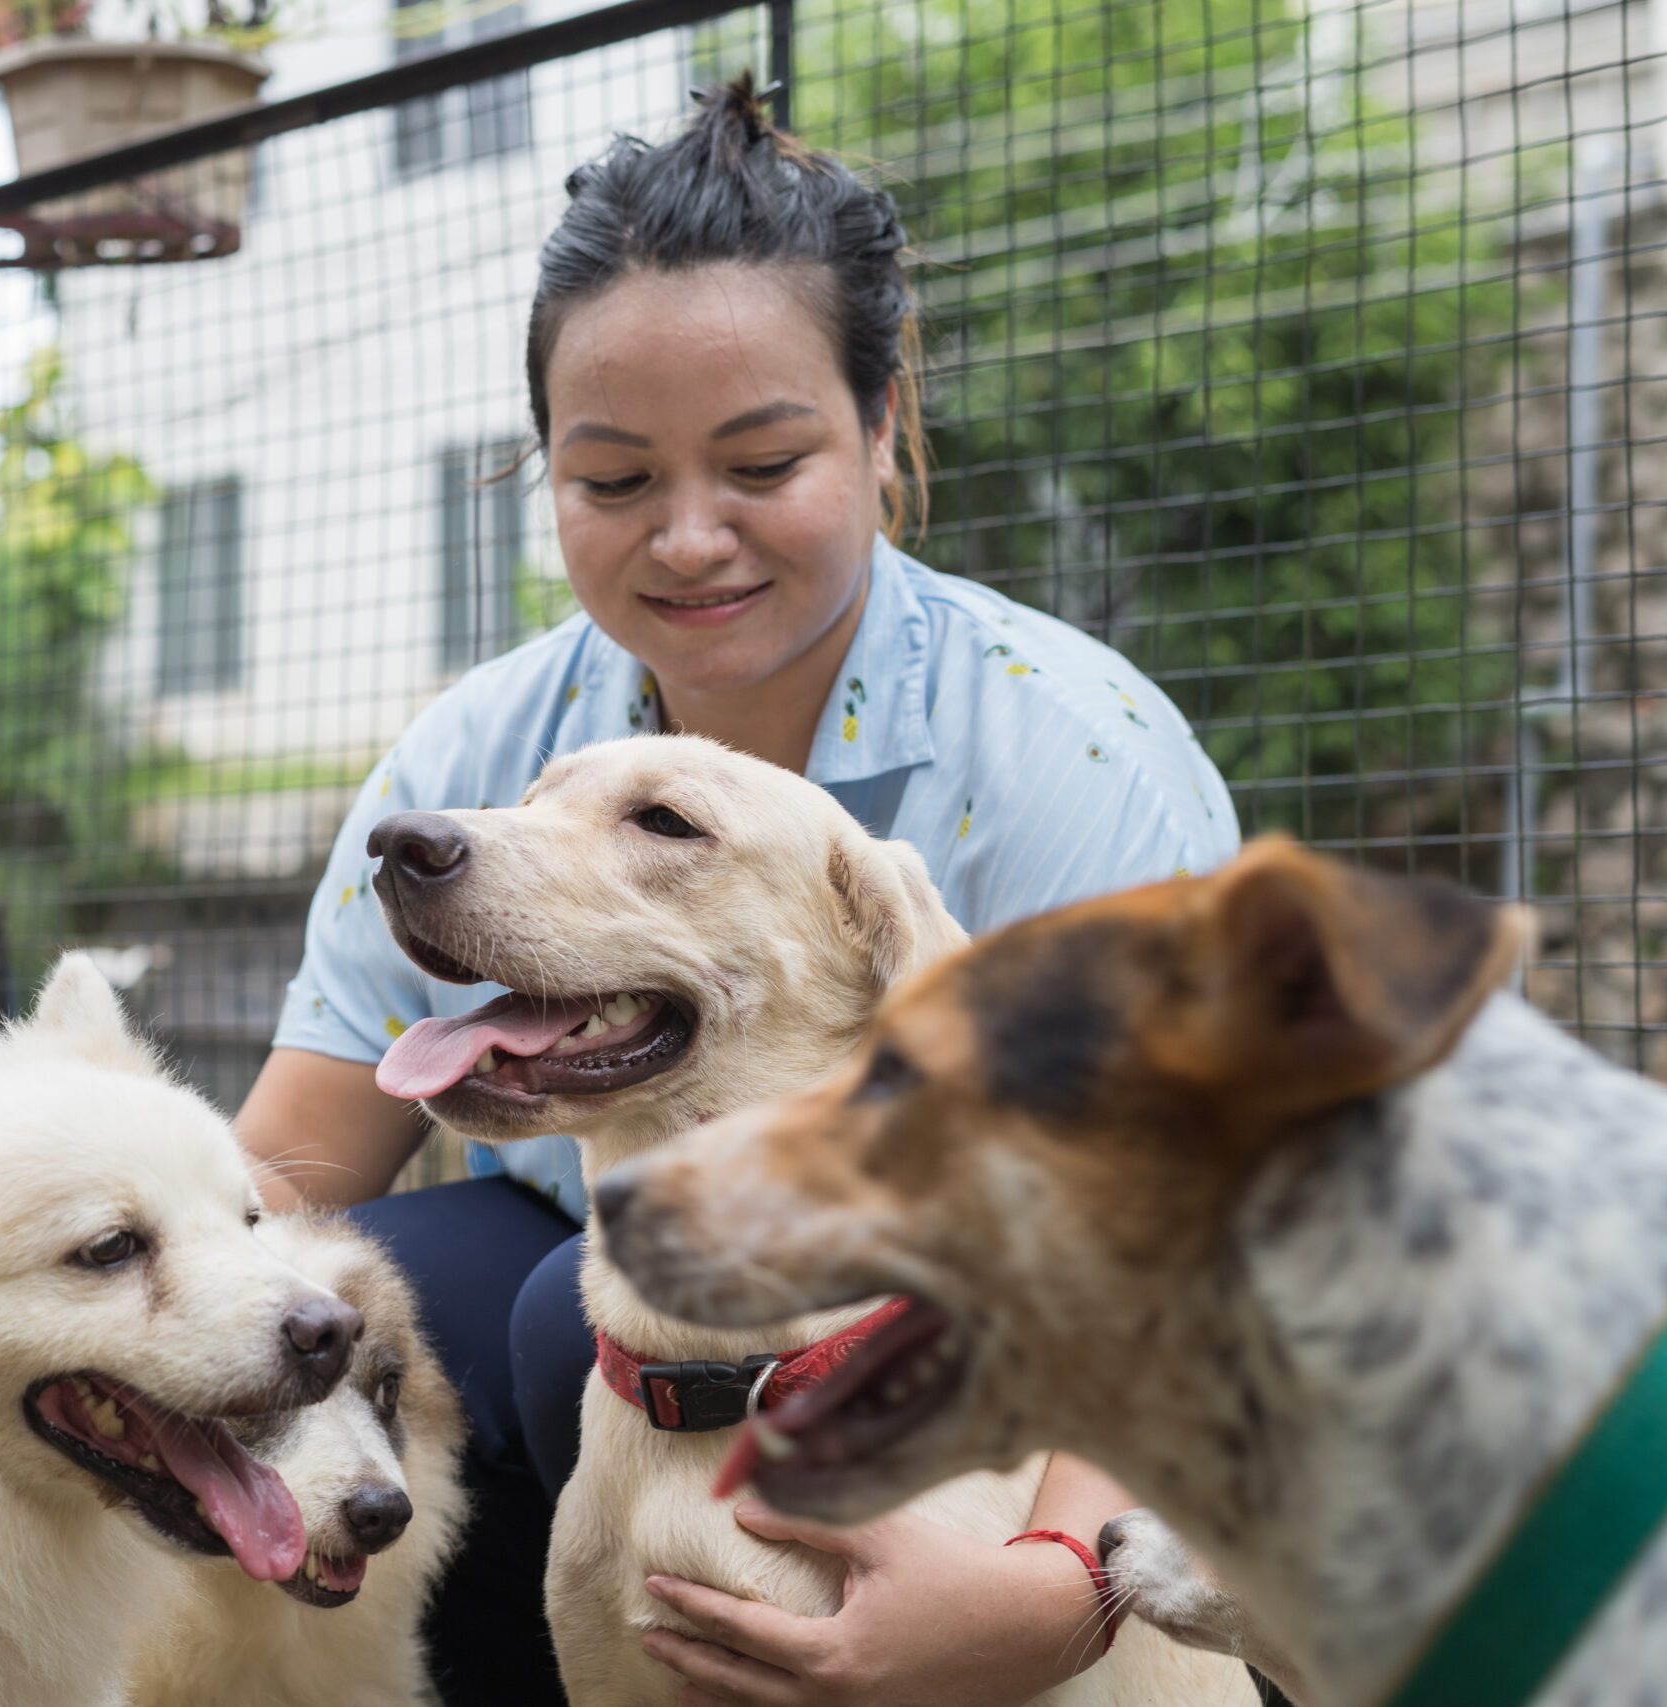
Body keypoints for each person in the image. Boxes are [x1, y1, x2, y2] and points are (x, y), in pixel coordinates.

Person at [236, 77, 1239, 1707]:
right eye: (614, 481)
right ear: (544, 471)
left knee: (600, 1304)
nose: (689, 540)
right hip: (621, 1315)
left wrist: (1052, 1591)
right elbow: (283, 1180)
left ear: (882, 428)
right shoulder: (491, 743)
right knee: (365, 1309)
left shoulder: (1076, 762)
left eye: (763, 462)